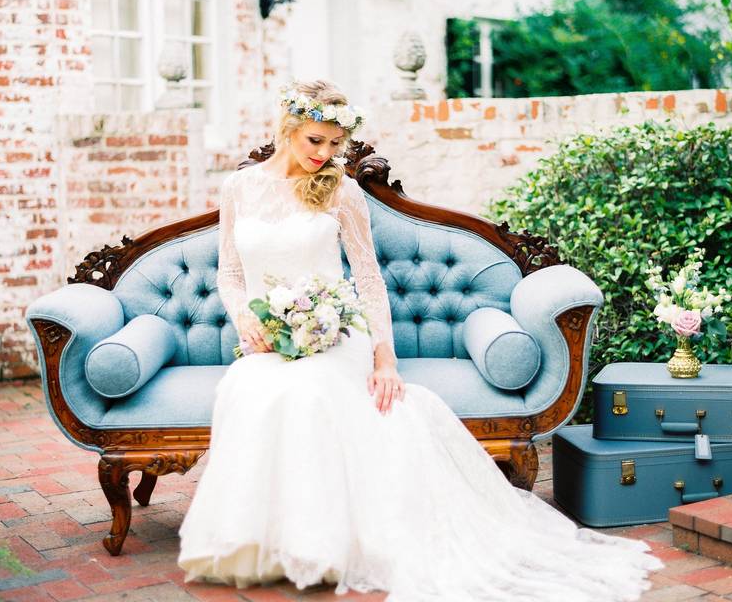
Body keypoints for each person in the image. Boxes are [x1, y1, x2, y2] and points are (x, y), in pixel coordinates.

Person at [177, 79, 663, 601]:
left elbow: (367, 279)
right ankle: (263, 545)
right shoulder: (239, 189)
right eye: (315, 140)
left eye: (335, 144)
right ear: (289, 127)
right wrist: (245, 321)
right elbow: (229, 274)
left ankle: (326, 547)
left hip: (337, 331)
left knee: (311, 389)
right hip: (269, 337)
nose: (325, 154)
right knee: (248, 386)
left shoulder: (343, 190)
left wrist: (385, 360)